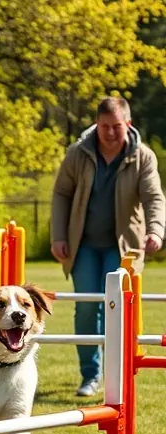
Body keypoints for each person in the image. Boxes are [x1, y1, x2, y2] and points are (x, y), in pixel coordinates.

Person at [51, 97, 165, 396]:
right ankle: (90, 375)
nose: (111, 133)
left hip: (123, 246)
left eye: (117, 126)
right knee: (87, 308)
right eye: (105, 127)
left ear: (128, 124)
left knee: (117, 308)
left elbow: (153, 197)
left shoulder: (143, 156)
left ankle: (118, 372)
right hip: (83, 245)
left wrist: (155, 230)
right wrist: (58, 236)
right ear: (96, 125)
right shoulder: (78, 153)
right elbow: (61, 193)